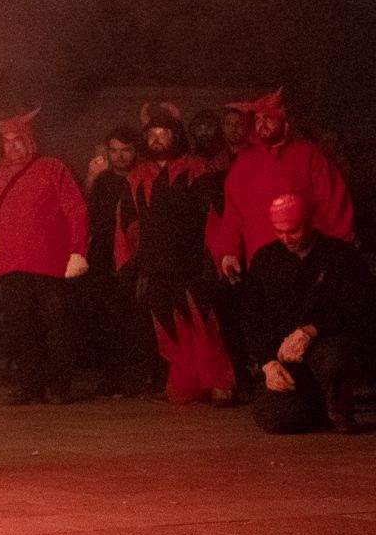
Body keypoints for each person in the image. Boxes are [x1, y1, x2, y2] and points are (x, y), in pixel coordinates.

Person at [121, 107, 234, 405]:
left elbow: (213, 215)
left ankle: (218, 380)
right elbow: (129, 223)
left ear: (176, 136)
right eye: (153, 135)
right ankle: (188, 381)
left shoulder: (195, 168)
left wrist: (218, 256)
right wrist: (131, 261)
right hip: (155, 264)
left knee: (203, 323)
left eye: (165, 133)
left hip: (190, 262)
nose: (158, 140)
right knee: (167, 327)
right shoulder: (136, 177)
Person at [0, 112, 88, 405]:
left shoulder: (53, 168)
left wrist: (77, 251)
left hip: (49, 262)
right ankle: (31, 386)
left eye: (18, 141)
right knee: (20, 327)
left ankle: (60, 386)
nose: (12, 148)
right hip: (12, 264)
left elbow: (75, 210)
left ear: (29, 141)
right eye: (7, 142)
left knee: (56, 325)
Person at [245, 193, 370, 434]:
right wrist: (267, 362)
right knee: (276, 419)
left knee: (335, 357)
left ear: (309, 222)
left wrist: (312, 330)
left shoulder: (339, 256)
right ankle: (312, 406)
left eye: (293, 230)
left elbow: (360, 309)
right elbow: (252, 317)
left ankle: (337, 403)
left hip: (326, 347)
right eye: (279, 231)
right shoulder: (265, 259)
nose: (286, 238)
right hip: (284, 356)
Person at [213, 90, 353, 281]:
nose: (263, 123)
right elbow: (233, 215)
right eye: (258, 118)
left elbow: (334, 205)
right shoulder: (244, 163)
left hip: (307, 265)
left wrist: (342, 252)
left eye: (269, 117)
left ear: (284, 120)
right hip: (261, 267)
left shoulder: (309, 156)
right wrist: (229, 252)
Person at [80, 126, 150, 396]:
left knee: (135, 318)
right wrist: (90, 178)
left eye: (126, 151)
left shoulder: (144, 178)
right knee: (106, 319)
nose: (120, 157)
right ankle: (111, 377)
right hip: (103, 258)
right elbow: (86, 214)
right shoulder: (102, 180)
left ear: (135, 151)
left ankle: (138, 376)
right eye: (114, 151)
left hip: (135, 257)